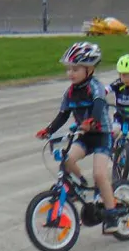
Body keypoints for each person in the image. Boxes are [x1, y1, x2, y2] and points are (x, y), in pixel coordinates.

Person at [36, 41, 121, 234]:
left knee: (100, 175)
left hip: (101, 135)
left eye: (75, 69)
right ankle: (81, 184)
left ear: (89, 69)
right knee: (66, 161)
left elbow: (99, 104)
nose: (70, 74)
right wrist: (48, 130)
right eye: (68, 70)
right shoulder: (70, 92)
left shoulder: (95, 87)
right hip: (84, 136)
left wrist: (92, 120)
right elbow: (63, 114)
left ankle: (111, 213)